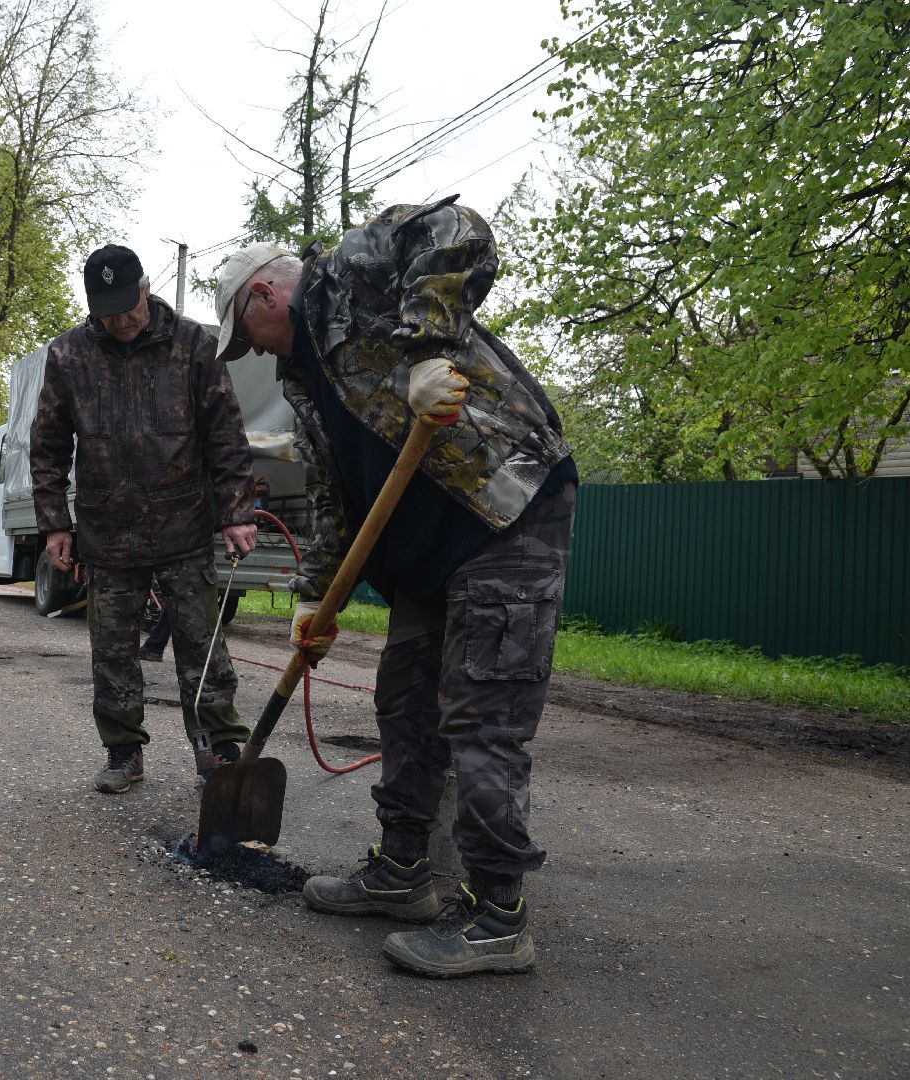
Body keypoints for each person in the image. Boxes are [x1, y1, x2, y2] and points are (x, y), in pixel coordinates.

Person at [214, 197, 577, 978]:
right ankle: (402, 871)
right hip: (421, 561)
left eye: (246, 335)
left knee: (481, 715)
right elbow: (332, 498)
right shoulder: (306, 379)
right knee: (405, 709)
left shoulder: (349, 275)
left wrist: (428, 352)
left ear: (266, 296)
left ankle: (498, 916)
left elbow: (457, 229)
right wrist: (317, 598)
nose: (251, 351)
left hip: (501, 515)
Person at [32, 244, 259, 794]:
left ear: (146, 287)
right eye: (106, 310)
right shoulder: (69, 356)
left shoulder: (193, 345)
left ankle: (221, 749)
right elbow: (48, 446)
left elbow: (226, 434)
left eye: (127, 305)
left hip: (182, 524)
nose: (120, 319)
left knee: (201, 645)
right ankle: (123, 752)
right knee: (111, 649)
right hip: (106, 531)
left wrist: (236, 511)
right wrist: (55, 523)